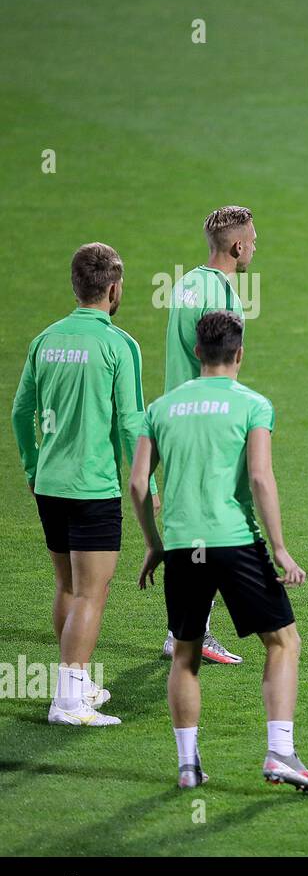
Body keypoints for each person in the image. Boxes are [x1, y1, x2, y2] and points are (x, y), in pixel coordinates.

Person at [130, 311, 308, 791]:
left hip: (181, 546)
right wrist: (279, 548)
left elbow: (137, 483)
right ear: (239, 353)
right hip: (234, 540)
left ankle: (188, 766)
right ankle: (280, 752)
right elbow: (260, 477)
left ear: (196, 353)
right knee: (282, 643)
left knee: (186, 652)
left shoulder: (159, 409)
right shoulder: (253, 405)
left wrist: (155, 545)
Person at [11, 242, 154, 726]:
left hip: (50, 485)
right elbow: (131, 424)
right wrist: (145, 480)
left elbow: (19, 412)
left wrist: (33, 468)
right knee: (92, 593)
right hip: (92, 489)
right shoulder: (119, 345)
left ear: (77, 286)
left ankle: (77, 683)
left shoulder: (45, 340)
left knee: (68, 586)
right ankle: (67, 700)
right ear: (113, 288)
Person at [159, 205, 257, 665]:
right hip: (208, 421)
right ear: (237, 246)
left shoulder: (186, 283)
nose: (255, 245)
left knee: (187, 523)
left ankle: (183, 630)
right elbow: (215, 363)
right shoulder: (223, 296)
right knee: (211, 526)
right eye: (252, 239)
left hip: (175, 417)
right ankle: (190, 633)